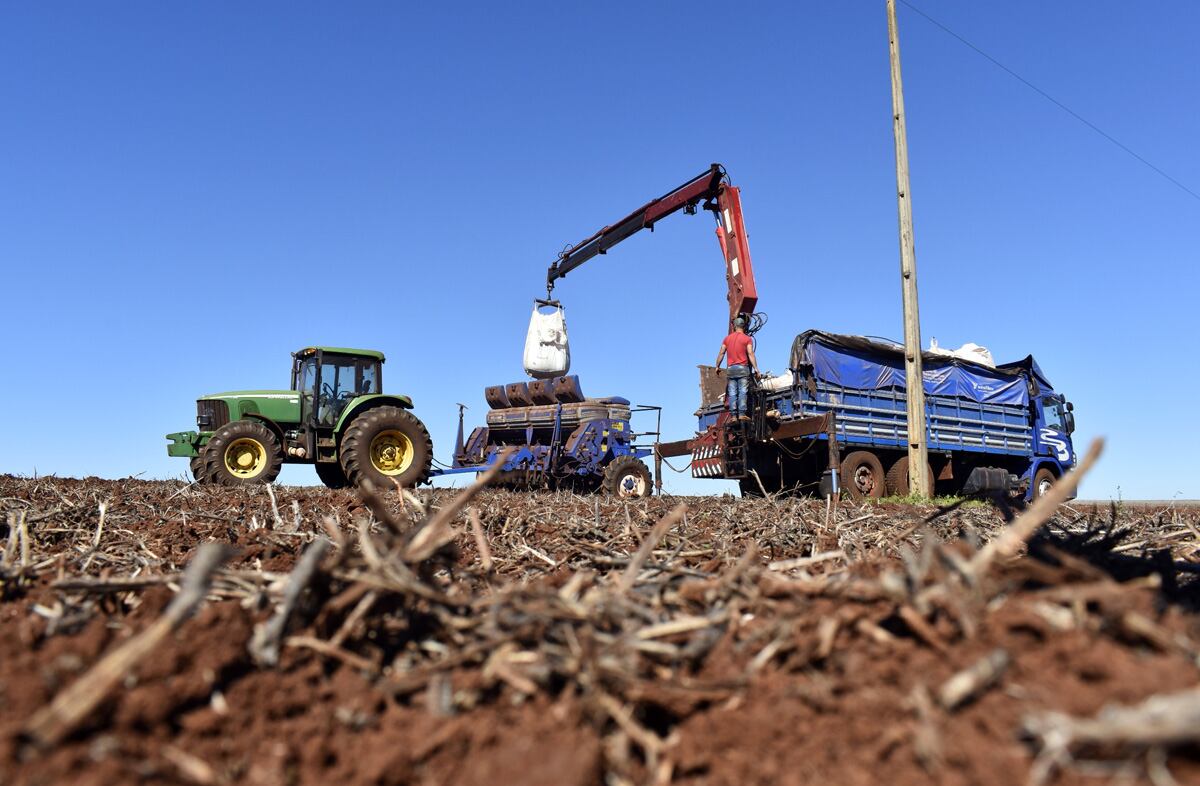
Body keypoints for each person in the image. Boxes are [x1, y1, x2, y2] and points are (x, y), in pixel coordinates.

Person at [714, 316, 759, 420]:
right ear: (744, 326)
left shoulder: (727, 339)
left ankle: (734, 415)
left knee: (732, 392)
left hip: (731, 369)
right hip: (743, 368)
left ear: (734, 326)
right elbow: (750, 353)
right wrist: (756, 369)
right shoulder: (747, 339)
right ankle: (742, 414)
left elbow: (721, 353)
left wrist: (717, 366)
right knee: (743, 391)